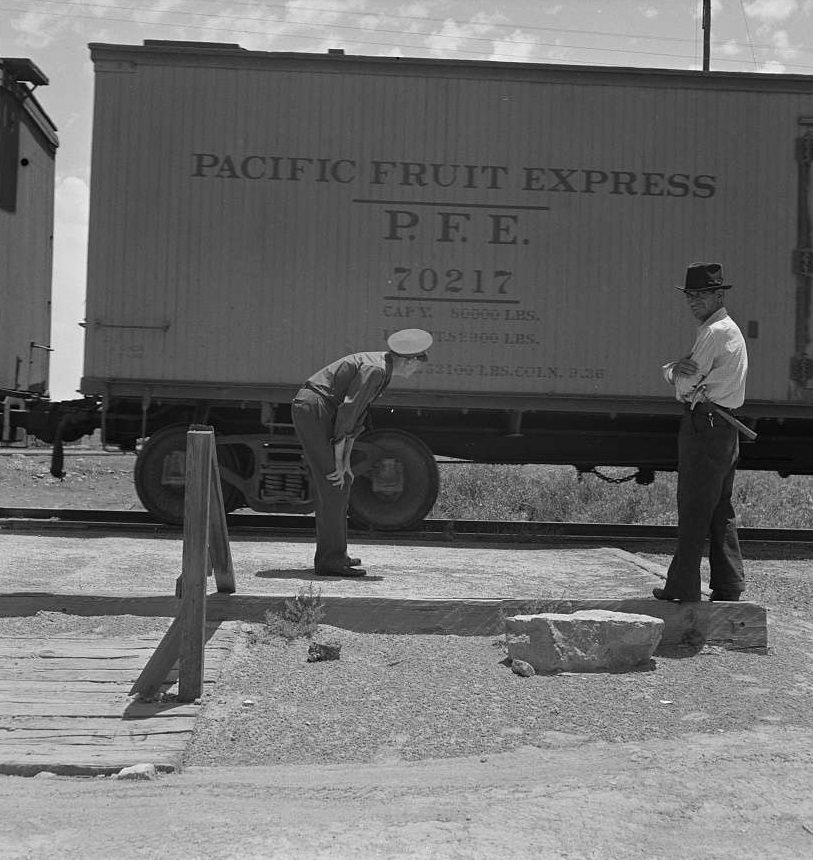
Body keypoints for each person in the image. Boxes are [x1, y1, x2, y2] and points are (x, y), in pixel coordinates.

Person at [291, 328, 433, 578]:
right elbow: (347, 413)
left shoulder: (382, 368)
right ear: (408, 360)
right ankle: (330, 561)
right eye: (417, 365)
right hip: (314, 410)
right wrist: (337, 461)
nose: (416, 371)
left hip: (321, 411)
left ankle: (336, 554)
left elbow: (356, 418)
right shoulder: (376, 370)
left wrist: (345, 463)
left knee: (341, 480)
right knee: (332, 483)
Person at [653, 262, 748, 603]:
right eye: (690, 295)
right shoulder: (723, 329)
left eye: (702, 295)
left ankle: (682, 587)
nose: (693, 301)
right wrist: (677, 370)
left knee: (694, 506)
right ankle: (728, 585)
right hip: (722, 426)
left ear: (718, 295)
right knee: (719, 508)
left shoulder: (714, 332)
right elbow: (687, 373)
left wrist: (671, 372)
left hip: (705, 426)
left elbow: (686, 382)